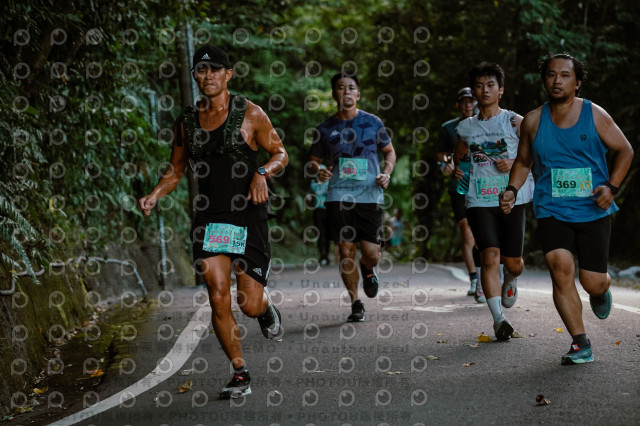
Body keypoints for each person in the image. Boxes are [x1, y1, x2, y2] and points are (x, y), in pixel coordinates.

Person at [138, 45, 288, 398]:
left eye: (215, 69)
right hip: (210, 221)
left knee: (248, 304)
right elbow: (176, 169)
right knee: (218, 296)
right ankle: (240, 373)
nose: (207, 76)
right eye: (201, 70)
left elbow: (280, 153)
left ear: (228, 74)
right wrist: (155, 193)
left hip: (247, 217)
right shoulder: (187, 123)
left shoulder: (251, 113)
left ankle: (265, 308)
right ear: (195, 75)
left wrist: (262, 173)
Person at [500, 53, 633, 364]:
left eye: (564, 75)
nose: (557, 80)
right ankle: (580, 343)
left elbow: (625, 150)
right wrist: (511, 189)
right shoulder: (533, 120)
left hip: (593, 208)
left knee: (592, 281)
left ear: (578, 82)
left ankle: (601, 290)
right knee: (559, 266)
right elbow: (523, 161)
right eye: (551, 74)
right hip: (552, 208)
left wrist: (611, 187)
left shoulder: (594, 114)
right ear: (544, 80)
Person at [454, 62, 535, 341]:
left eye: (490, 85)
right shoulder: (465, 127)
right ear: (473, 91)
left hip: (512, 198)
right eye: (479, 86)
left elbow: (533, 154)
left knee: (513, 263)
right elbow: (460, 155)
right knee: (489, 256)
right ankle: (499, 320)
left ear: (501, 90)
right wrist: (459, 169)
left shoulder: (515, 121)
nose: (484, 90)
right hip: (479, 199)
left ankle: (511, 279)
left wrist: (512, 162)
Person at [308, 72, 396, 322]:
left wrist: (387, 173)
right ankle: (356, 302)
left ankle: (368, 268)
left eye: (351, 87)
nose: (346, 91)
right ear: (334, 93)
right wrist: (319, 170)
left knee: (371, 253)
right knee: (345, 249)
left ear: (358, 94)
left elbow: (390, 152)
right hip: (338, 194)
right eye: (340, 87)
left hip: (370, 194)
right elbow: (313, 161)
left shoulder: (373, 122)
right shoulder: (324, 129)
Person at [436, 87, 484, 301]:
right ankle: (474, 278)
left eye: (471, 101)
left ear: (477, 103)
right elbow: (441, 155)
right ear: (458, 105)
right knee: (467, 231)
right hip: (460, 185)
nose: (468, 105)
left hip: (484, 184)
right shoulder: (448, 128)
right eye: (464, 102)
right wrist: (445, 164)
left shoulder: (486, 124)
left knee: (484, 231)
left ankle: (489, 274)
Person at [309, 164, 331, 265]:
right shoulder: (314, 182)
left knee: (327, 234)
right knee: (320, 233)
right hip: (318, 210)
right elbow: (317, 191)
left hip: (328, 210)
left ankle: (326, 255)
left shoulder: (330, 182)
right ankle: (321, 255)